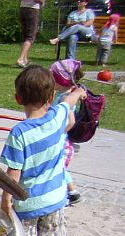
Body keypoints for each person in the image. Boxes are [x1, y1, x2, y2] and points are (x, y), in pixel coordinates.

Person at [0, 66, 86, 236]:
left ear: (18, 98)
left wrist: (5, 198)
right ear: (51, 97)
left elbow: (13, 173)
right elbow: (70, 100)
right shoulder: (58, 116)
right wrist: (79, 93)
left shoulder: (20, 133)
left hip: (28, 202)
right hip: (55, 199)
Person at [50, 59, 85, 204]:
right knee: (59, 167)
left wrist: (58, 132)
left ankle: (68, 194)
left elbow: (71, 121)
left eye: (53, 77)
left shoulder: (66, 98)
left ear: (61, 80)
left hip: (62, 142)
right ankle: (72, 192)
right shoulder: (64, 94)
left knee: (58, 168)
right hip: (62, 140)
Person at [17, 1, 44, 68]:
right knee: (30, 36)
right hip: (32, 9)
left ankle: (25, 59)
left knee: (25, 35)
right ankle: (20, 59)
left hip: (23, 8)